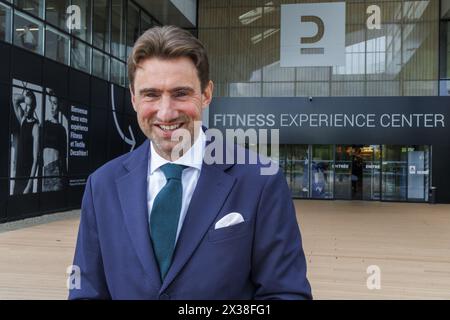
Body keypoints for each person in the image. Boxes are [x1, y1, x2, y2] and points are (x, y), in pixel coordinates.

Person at [69, 26, 312, 300]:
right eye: (151, 94)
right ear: (134, 98)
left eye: (180, 93)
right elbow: (85, 290)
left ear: (206, 94)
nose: (166, 112)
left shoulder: (260, 181)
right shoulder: (102, 185)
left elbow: (286, 293)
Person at [12, 90, 40, 194]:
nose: (27, 108)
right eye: (26, 105)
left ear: (34, 107)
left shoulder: (36, 127)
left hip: (27, 177)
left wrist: (29, 185)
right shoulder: (22, 119)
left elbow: (36, 159)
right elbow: (14, 99)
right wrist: (26, 98)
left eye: (30, 106)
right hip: (18, 174)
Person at [42, 89, 67, 192]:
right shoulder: (45, 124)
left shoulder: (61, 129)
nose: (52, 107)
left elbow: (64, 156)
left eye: (55, 103)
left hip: (56, 170)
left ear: (59, 106)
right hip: (46, 171)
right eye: (51, 103)